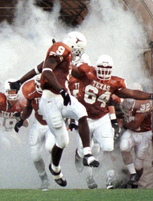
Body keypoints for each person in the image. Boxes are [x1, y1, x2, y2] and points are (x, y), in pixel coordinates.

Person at [9, 32, 101, 186]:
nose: (77, 54)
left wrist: (20, 81)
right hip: (50, 99)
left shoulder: (65, 58)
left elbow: (39, 68)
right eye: (78, 50)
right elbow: (45, 71)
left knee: (81, 112)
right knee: (62, 141)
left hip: (62, 97)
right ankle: (56, 169)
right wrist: (62, 90)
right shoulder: (61, 48)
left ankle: (87, 154)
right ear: (73, 45)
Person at [71, 54, 153, 189]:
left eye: (107, 69)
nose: (104, 72)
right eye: (102, 68)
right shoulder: (87, 72)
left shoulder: (114, 82)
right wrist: (67, 57)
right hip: (85, 117)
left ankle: (110, 177)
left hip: (101, 117)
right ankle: (79, 156)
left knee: (108, 147)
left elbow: (131, 93)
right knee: (83, 149)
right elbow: (72, 70)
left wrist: (150, 96)